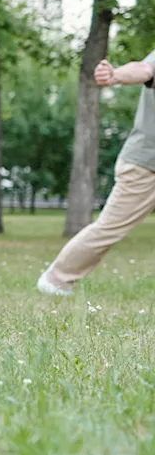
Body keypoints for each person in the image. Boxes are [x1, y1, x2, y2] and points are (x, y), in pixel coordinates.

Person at [38, 52, 155, 295]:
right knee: (109, 228)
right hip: (145, 165)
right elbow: (144, 69)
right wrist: (115, 76)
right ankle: (55, 280)